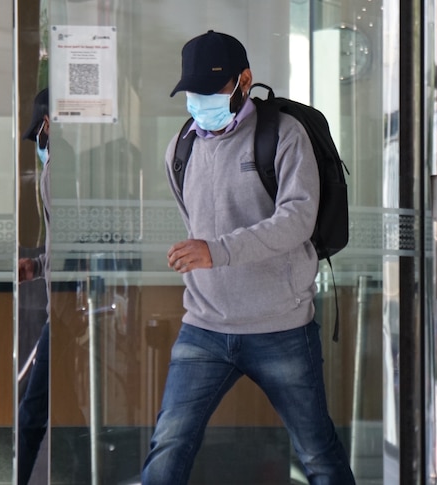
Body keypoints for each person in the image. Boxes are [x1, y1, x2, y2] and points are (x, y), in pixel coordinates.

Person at [141, 30, 356, 485]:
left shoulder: (283, 135)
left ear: (244, 80)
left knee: (317, 453)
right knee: (167, 448)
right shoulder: (181, 147)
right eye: (193, 91)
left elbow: (297, 220)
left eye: (211, 89)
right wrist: (201, 256)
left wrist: (216, 252)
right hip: (204, 328)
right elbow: (193, 221)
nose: (200, 100)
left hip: (281, 327)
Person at [18, 87, 53, 485]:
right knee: (47, 406)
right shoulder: (65, 168)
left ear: (47, 123)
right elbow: (67, 246)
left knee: (32, 412)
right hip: (62, 308)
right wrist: (39, 265)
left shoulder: (57, 170)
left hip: (61, 314)